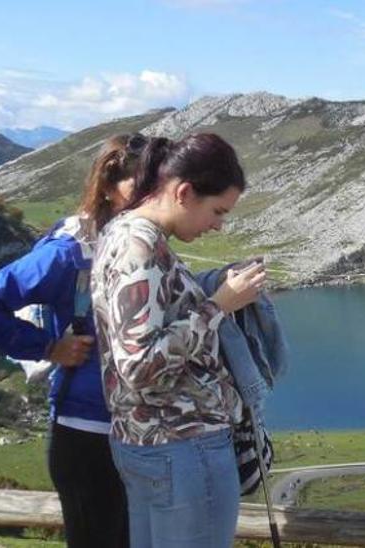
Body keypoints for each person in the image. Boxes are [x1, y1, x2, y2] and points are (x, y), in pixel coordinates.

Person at [0, 133, 146, 548]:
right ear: (110, 185)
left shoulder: (143, 244)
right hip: (86, 432)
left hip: (135, 432)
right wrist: (48, 347)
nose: (149, 196)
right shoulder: (69, 251)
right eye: (140, 184)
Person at [91, 134, 264, 548]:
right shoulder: (142, 247)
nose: (219, 224)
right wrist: (219, 306)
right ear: (184, 192)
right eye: (217, 210)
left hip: (145, 444)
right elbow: (139, 365)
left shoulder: (121, 231)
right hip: (184, 446)